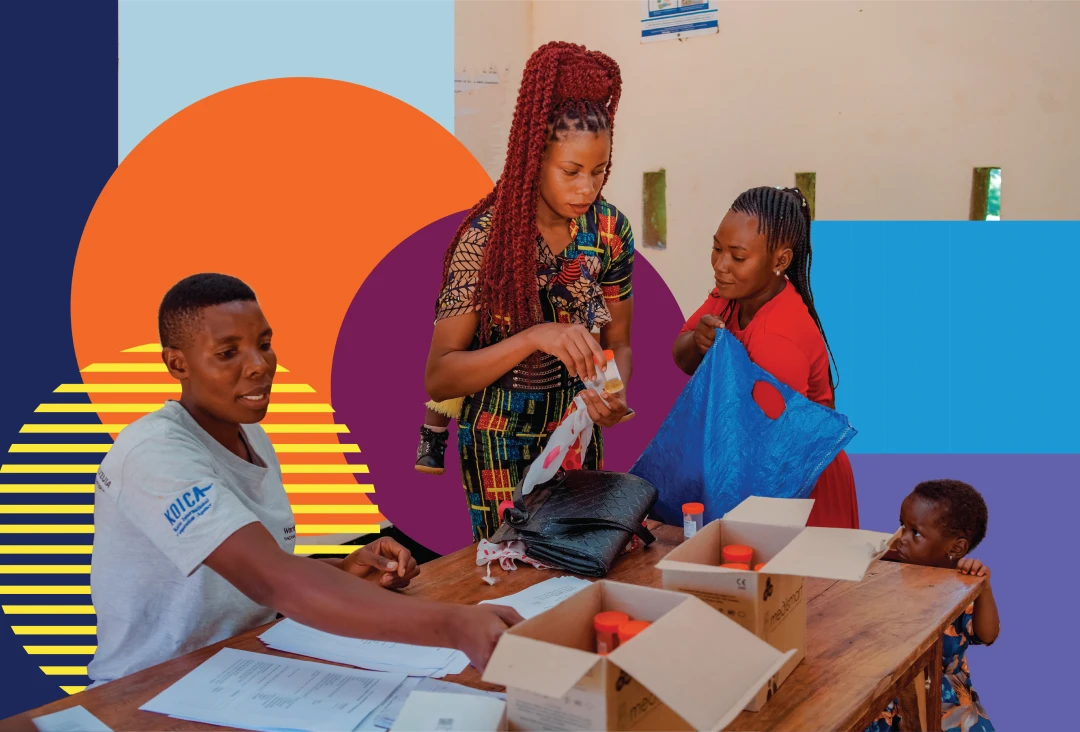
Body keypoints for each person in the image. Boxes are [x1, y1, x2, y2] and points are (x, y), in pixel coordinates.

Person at [87, 273, 523, 686]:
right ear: (177, 364)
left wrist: (344, 569)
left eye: (264, 344)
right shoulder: (154, 454)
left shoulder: (248, 432)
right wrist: (451, 624)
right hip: (152, 688)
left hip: (246, 662)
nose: (259, 365)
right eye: (227, 353)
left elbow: (249, 576)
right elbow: (271, 580)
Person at [423, 41, 635, 543]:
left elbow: (619, 342)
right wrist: (533, 336)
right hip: (498, 443)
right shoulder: (487, 239)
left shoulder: (609, 231)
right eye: (571, 171)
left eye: (599, 170)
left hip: (578, 431)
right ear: (533, 157)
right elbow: (440, 378)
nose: (587, 188)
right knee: (514, 576)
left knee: (583, 564)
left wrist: (613, 391)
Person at [671, 186, 858, 529]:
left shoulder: (779, 337)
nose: (720, 265)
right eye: (716, 248)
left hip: (800, 485)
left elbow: (768, 452)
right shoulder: (730, 294)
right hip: (758, 471)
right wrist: (697, 342)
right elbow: (681, 357)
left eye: (737, 257)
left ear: (780, 261)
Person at [866, 479, 998, 732]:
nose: (901, 538)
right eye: (902, 526)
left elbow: (988, 634)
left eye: (915, 532)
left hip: (943, 701)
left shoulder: (961, 583)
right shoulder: (887, 573)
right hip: (885, 697)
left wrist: (983, 588)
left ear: (956, 547)